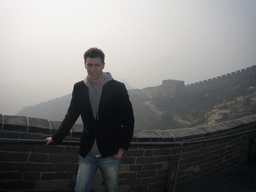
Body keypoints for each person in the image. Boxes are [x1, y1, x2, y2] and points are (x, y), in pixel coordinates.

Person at [45, 47, 134, 192]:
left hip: (111, 153)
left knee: (111, 189)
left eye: (97, 65)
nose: (93, 69)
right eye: (89, 65)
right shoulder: (79, 88)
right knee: (80, 189)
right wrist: (56, 138)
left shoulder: (117, 88)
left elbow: (128, 120)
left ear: (103, 65)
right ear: (85, 65)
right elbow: (71, 116)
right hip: (87, 153)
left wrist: (121, 149)